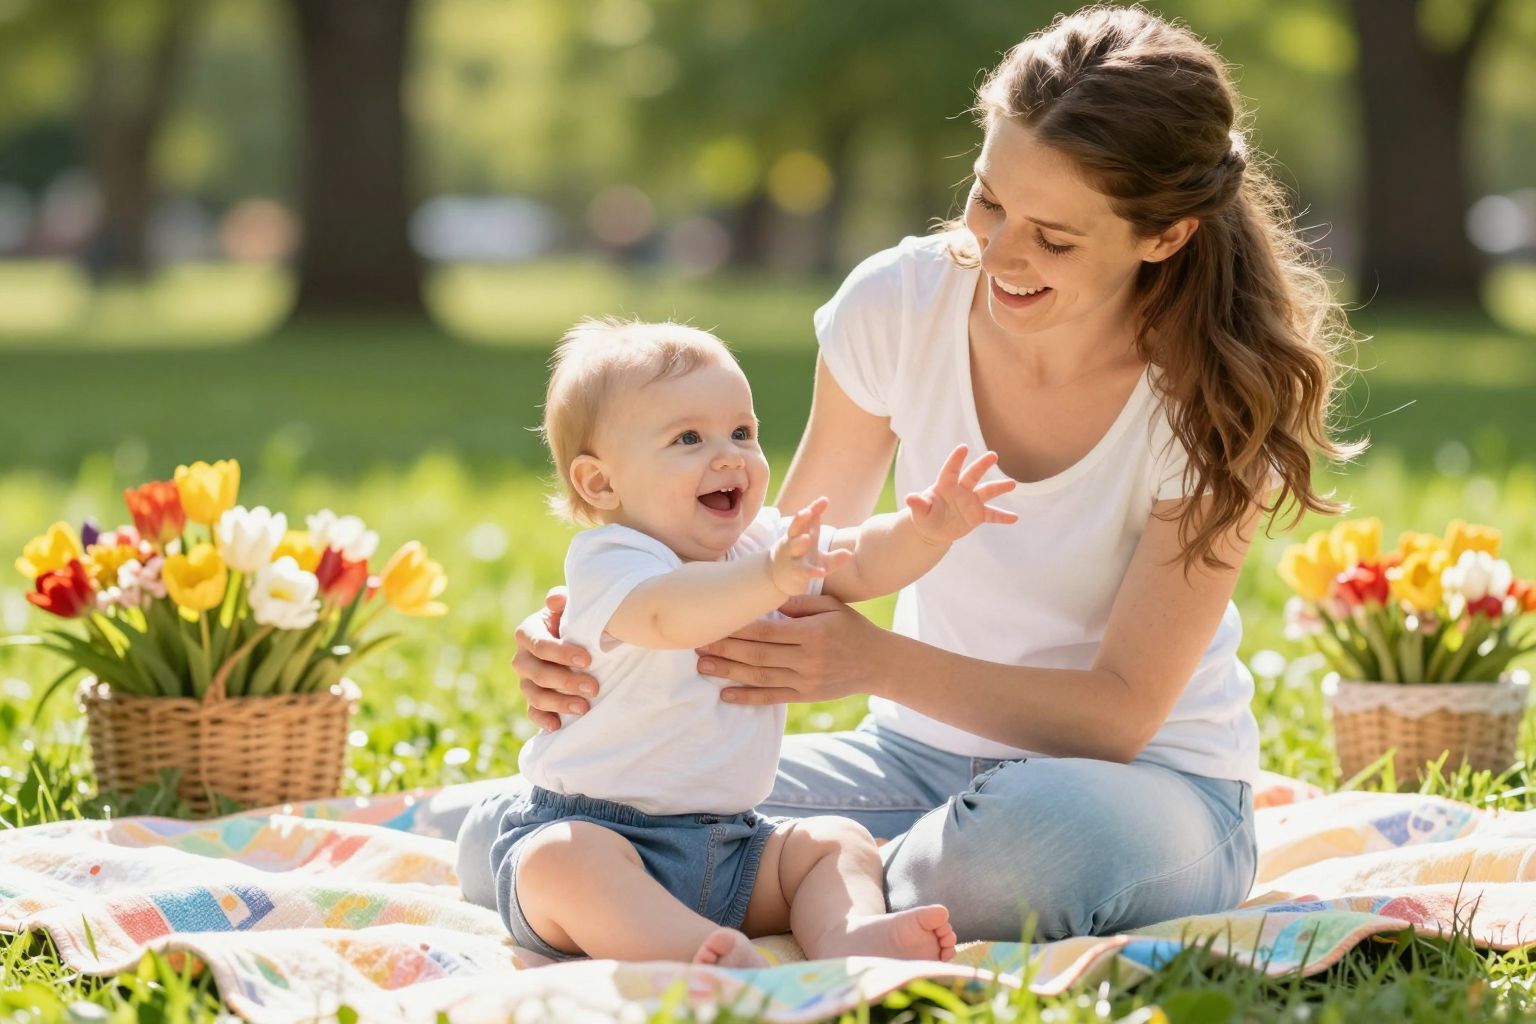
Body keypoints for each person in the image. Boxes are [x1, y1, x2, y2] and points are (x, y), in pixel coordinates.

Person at [462, 5, 1359, 943]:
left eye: (1053, 238)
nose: (1000, 253)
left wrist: (873, 661)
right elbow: (780, 560)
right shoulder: (900, 304)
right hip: (914, 761)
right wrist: (603, 623)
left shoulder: (1215, 398)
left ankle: (759, 886)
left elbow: (1121, 716)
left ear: (1165, 235)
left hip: (1141, 792)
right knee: (538, 821)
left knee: (1013, 851)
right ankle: (795, 889)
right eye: (989, 199)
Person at [475, 317, 1020, 966]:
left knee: (832, 842)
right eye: (688, 438)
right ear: (601, 483)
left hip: (731, 848)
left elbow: (859, 562)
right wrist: (766, 578)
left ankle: (850, 937)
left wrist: (923, 531)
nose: (730, 455)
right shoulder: (612, 559)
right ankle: (694, 950)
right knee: (561, 863)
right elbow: (668, 617)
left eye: (742, 431)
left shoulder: (762, 543)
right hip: (600, 830)